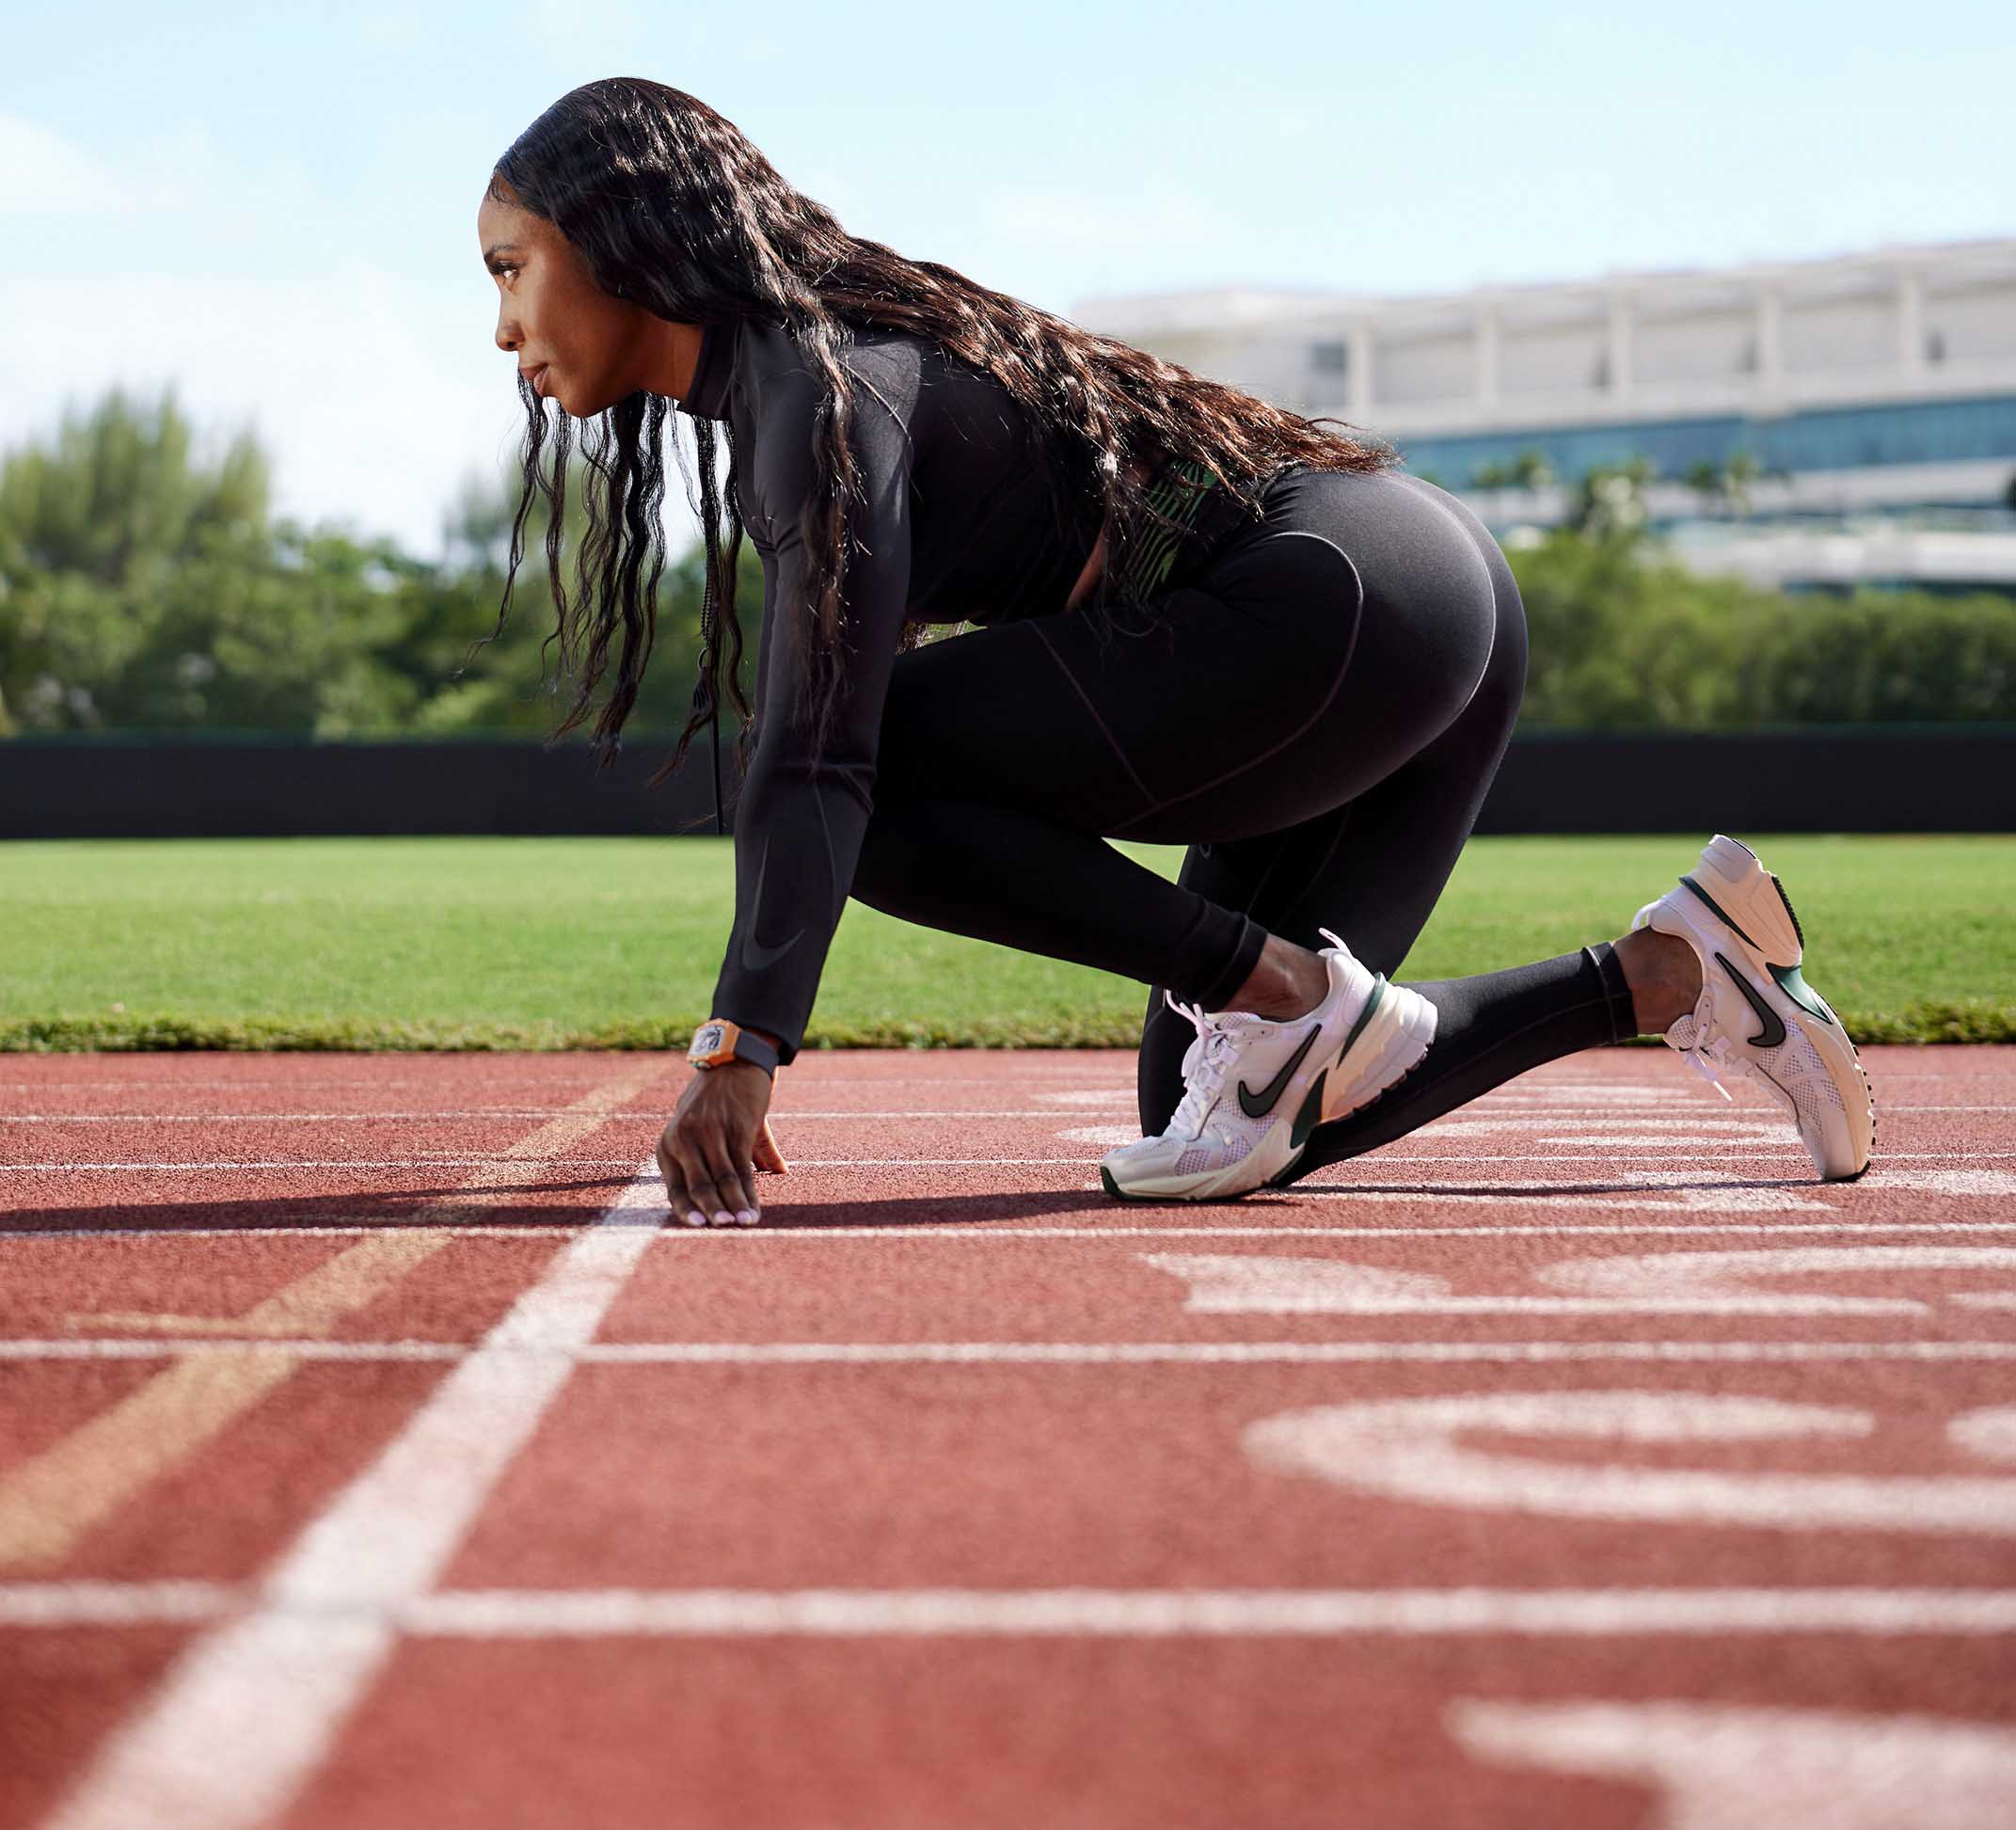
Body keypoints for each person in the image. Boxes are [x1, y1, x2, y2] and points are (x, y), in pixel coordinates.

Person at [477, 74, 1875, 1231]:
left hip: (1333, 598)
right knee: (1227, 1117)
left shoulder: (813, 393)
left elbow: (819, 753)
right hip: (1410, 600)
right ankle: (1671, 972)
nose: (502, 329)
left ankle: (1279, 987)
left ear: (615, 241)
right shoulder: (817, 381)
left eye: (510, 269)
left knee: (867, 777)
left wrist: (743, 1044)